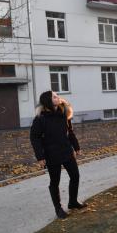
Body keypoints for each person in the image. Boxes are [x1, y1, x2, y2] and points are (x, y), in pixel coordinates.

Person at [30, 91, 87, 219]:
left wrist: (76, 147)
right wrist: (40, 157)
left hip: (67, 151)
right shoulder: (41, 118)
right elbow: (34, 137)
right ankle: (58, 209)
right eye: (54, 97)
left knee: (75, 176)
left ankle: (73, 202)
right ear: (48, 101)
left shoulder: (63, 113)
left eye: (57, 96)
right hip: (51, 154)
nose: (58, 98)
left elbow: (70, 131)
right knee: (55, 182)